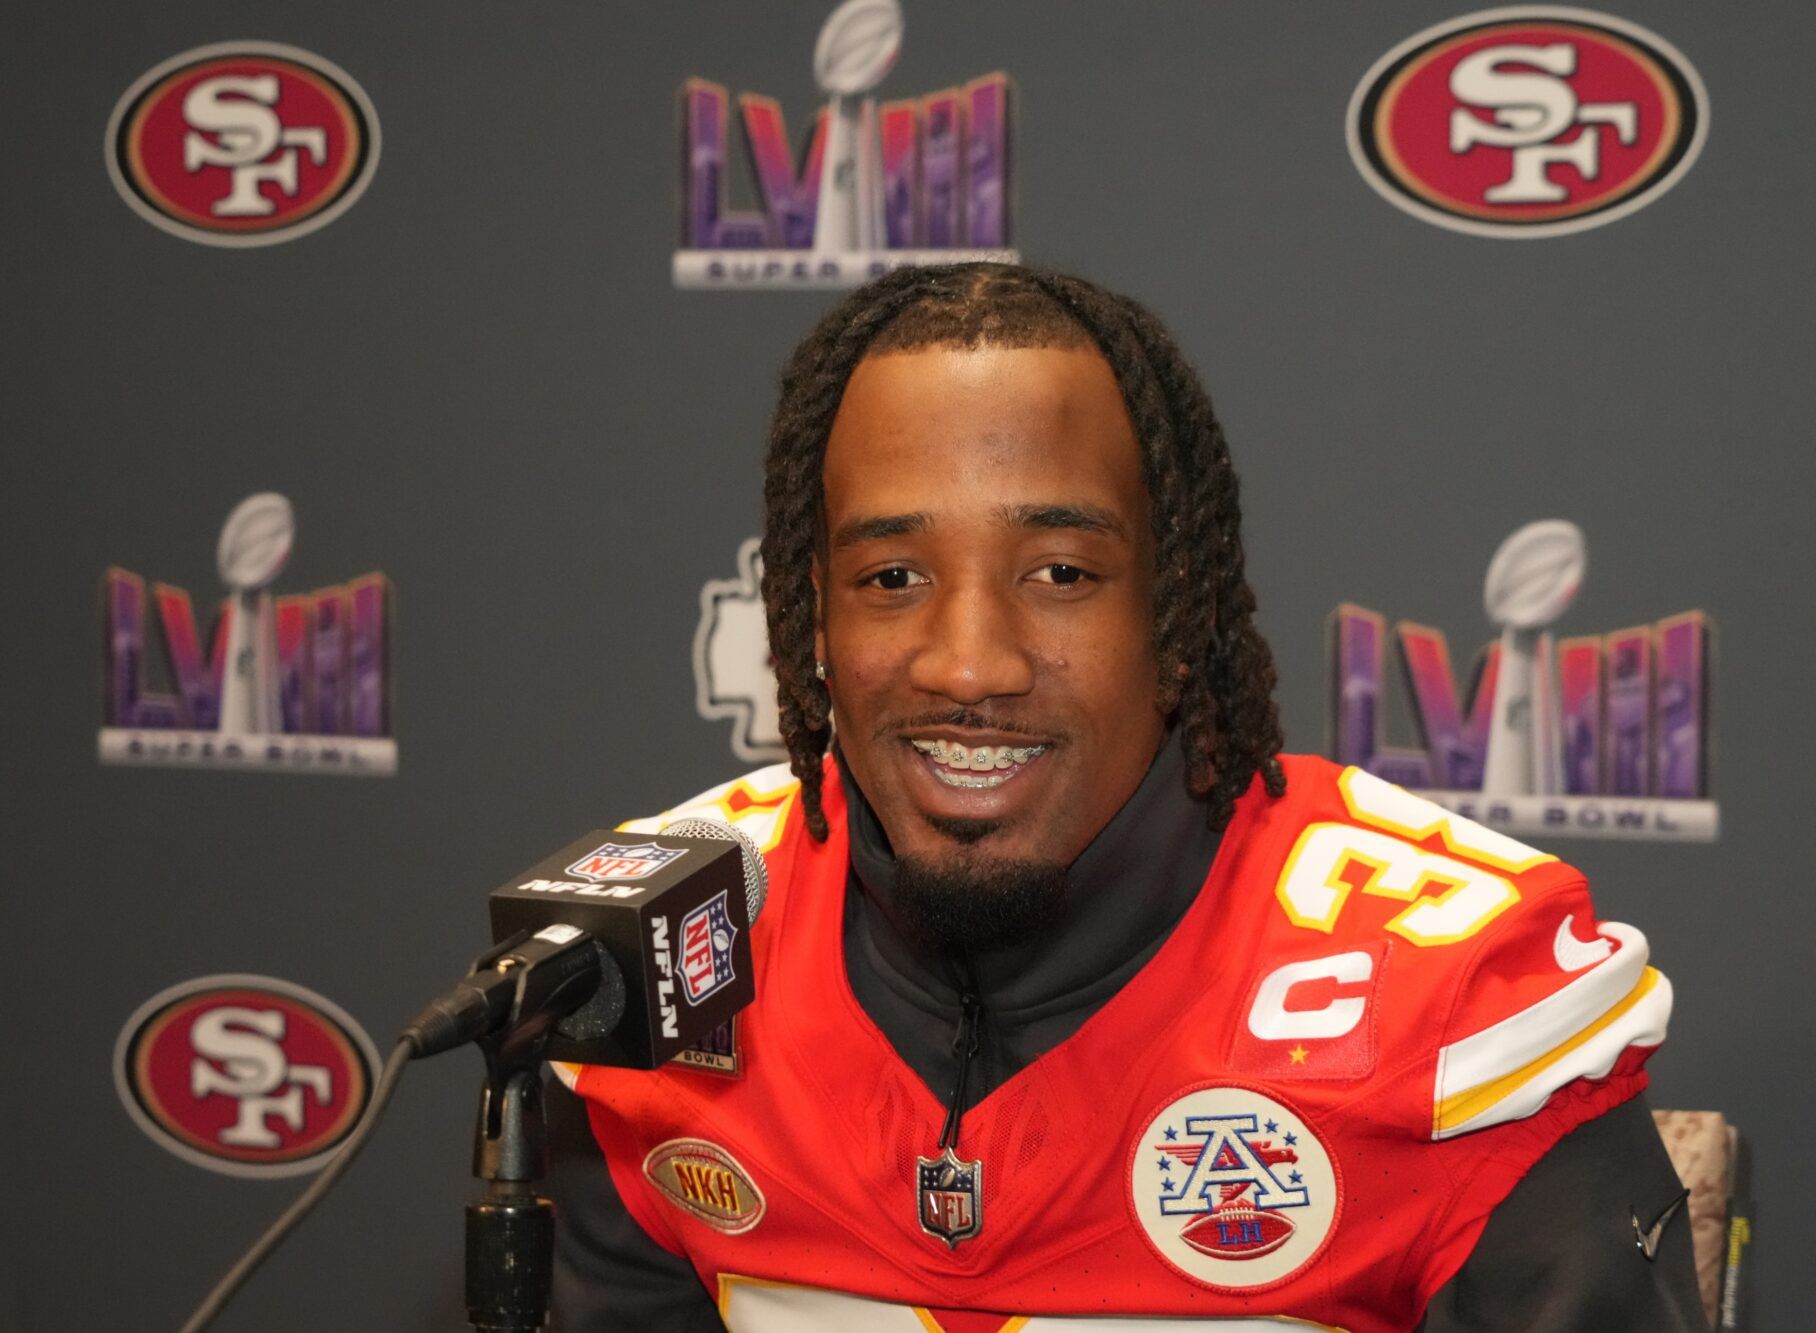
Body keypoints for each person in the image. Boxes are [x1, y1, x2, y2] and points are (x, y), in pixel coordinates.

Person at [547, 263, 1707, 1331]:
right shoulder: (669, 953)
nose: (968, 663)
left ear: (1176, 612)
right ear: (811, 619)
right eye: (891, 578)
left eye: (1061, 574)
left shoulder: (1444, 994)